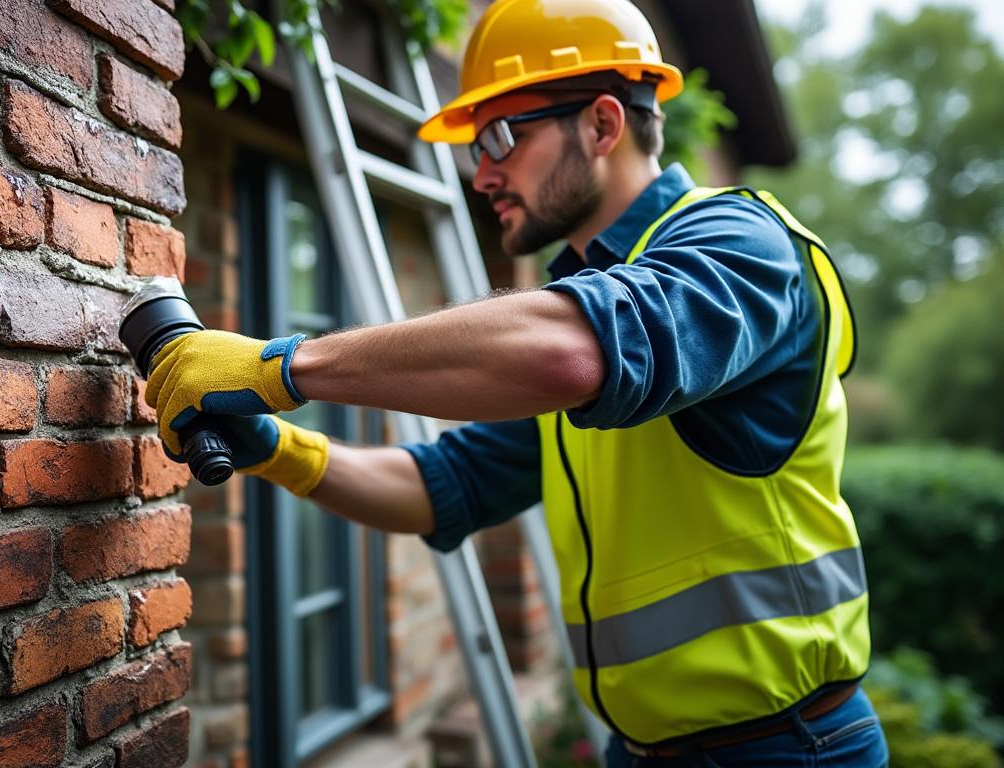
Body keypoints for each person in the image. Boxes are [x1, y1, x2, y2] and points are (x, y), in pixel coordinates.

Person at [145, 0, 889, 764]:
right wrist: (280, 450)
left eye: (503, 135)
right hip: (641, 749)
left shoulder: (740, 243)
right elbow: (445, 484)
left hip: (791, 746)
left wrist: (283, 368)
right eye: (477, 144)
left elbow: (575, 348)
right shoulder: (595, 303)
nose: (482, 172)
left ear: (603, 125)